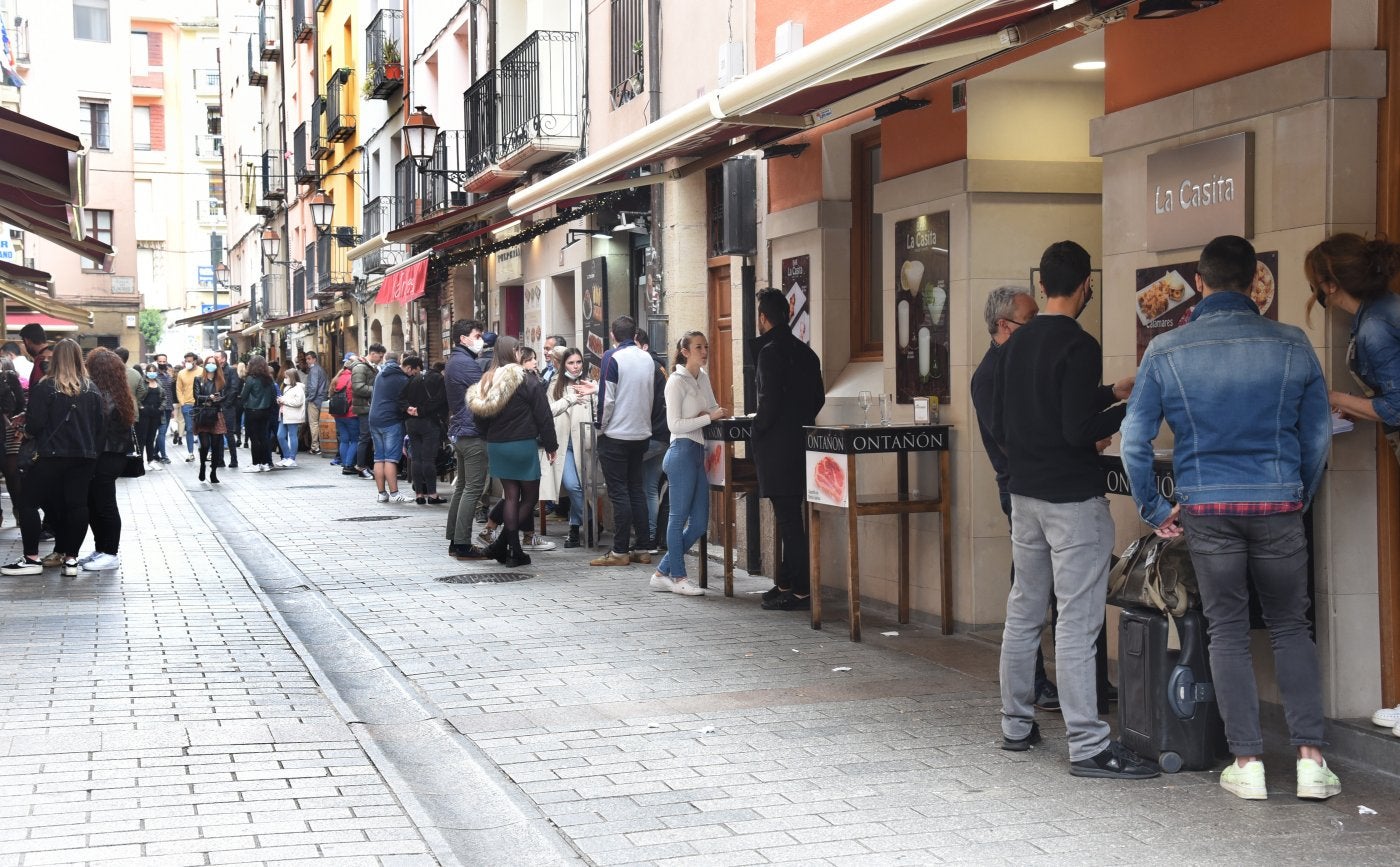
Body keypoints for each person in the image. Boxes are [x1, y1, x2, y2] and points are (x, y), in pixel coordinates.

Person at [1121, 235, 1336, 798]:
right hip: (1278, 504)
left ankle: (1248, 763)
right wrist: (1300, 492)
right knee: (1292, 626)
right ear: (1255, 282)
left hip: (1207, 509)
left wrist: (1152, 506)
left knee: (1228, 630)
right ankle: (1312, 761)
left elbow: (1134, 441)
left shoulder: (1167, 350)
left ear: (1201, 279)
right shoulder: (1293, 344)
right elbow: (1316, 437)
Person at [990, 240, 1154, 779]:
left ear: (1042, 285)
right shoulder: (1080, 343)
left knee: (1024, 611)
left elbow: (1031, 408)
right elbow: (1076, 426)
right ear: (1087, 285)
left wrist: (1107, 391)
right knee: (1078, 622)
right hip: (1071, 501)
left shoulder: (1014, 344)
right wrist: (1131, 407)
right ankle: (1087, 744)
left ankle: (1016, 724)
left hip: (1026, 495)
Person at [1303, 235, 1400, 736]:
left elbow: (1397, 405)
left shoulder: (1377, 327)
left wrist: (1334, 395)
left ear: (1329, 284)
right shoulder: (1383, 310)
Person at [970, 286, 1061, 710]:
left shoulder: (1026, 364)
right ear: (1005, 327)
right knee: (1030, 588)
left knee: (1056, 587)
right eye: (1031, 320)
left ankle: (1076, 679)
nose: (1039, 326)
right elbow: (1008, 440)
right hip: (1020, 487)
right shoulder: (990, 375)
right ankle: (1033, 682)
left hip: (1043, 482)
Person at [2, 339, 105, 577]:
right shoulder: (92, 389)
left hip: (50, 455)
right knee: (76, 505)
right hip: (84, 456)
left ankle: (31, 558)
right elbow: (100, 427)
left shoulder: (46, 386)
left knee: (28, 503)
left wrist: (24, 428)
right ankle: (71, 560)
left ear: (55, 358)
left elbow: (36, 425)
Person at [751, 287, 826, 611]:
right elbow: (818, 398)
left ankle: (801, 591)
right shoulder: (806, 352)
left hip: (778, 448)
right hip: (802, 444)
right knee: (789, 518)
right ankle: (784, 581)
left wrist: (758, 429)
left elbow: (769, 400)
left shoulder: (770, 352)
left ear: (763, 318)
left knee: (789, 521)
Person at [467, 336, 558, 567]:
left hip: (497, 445)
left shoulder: (487, 379)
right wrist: (551, 445)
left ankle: (508, 548)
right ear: (515, 352)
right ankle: (511, 548)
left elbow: (478, 415)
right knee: (529, 497)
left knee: (510, 496)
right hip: (522, 444)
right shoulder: (527, 380)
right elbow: (543, 415)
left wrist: (489, 436)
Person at [651, 331, 726, 597]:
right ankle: (679, 577)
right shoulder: (675, 381)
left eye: (706, 346)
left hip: (698, 452)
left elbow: (714, 407)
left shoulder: (702, 377)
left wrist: (710, 414)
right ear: (685, 351)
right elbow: (675, 425)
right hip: (681, 451)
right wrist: (707, 417)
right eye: (698, 347)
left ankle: (662, 572)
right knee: (678, 518)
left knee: (699, 523)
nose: (704, 351)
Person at [590, 316, 664, 567]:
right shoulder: (648, 360)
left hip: (616, 435)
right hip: (642, 433)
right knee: (636, 490)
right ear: (634, 335)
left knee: (619, 492)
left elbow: (606, 399)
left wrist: (600, 427)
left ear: (612, 335)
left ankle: (620, 550)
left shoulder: (611, 357)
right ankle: (642, 547)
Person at [78, 347, 136, 572]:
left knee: (104, 504)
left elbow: (98, 430)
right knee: (97, 502)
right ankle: (102, 549)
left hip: (105, 456)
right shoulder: (116, 393)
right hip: (111, 455)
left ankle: (110, 552)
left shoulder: (104, 396)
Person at [445, 321, 491, 560]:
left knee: (463, 487)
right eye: (477, 335)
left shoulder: (456, 360)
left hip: (463, 430)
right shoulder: (465, 363)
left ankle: (455, 540)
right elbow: (488, 391)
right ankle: (462, 543)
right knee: (472, 488)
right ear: (463, 338)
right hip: (473, 432)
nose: (480, 339)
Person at [545, 347, 596, 549]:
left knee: (584, 487)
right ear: (563, 364)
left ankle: (574, 529)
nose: (575, 367)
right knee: (573, 486)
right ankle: (591, 522)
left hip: (586, 444)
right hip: (563, 444)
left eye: (578, 363)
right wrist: (569, 399)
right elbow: (548, 412)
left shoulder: (590, 385)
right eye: (571, 363)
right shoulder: (555, 387)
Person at [635, 328, 668, 555]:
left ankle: (645, 537)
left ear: (644, 347)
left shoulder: (649, 368)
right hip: (662, 435)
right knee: (649, 487)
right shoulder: (659, 366)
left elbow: (646, 405)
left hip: (651, 436)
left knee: (634, 485)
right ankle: (651, 538)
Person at [400, 355, 447, 505]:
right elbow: (441, 401)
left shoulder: (414, 379)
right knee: (428, 459)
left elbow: (400, 399)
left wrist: (409, 409)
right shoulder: (438, 380)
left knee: (416, 458)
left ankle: (419, 494)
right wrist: (421, 410)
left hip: (411, 423)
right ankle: (432, 495)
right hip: (429, 422)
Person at [367, 350, 409, 502]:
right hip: (390, 419)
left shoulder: (380, 374)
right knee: (391, 458)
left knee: (379, 457)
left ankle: (381, 493)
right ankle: (395, 493)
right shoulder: (399, 377)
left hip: (374, 418)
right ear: (398, 361)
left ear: (385, 359)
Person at [192, 354, 227, 484]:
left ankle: (213, 472)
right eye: (209, 362)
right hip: (203, 414)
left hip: (216, 414)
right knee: (205, 445)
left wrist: (214, 399)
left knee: (216, 446)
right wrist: (209, 398)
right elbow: (196, 396)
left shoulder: (221, 381)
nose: (211, 365)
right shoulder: (198, 379)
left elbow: (223, 396)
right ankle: (202, 466)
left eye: (214, 363)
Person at [238, 356, 277, 472]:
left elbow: (244, 395)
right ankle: (265, 463)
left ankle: (256, 463)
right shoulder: (269, 379)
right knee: (264, 437)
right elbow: (273, 396)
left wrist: (243, 404)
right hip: (266, 411)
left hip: (252, 411)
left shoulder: (250, 379)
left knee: (254, 438)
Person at [352, 344, 384, 479]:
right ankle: (360, 466)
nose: (381, 359)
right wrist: (378, 390)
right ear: (373, 354)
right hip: (364, 407)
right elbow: (358, 387)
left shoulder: (371, 367)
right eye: (380, 356)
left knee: (369, 438)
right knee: (364, 437)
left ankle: (367, 466)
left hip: (370, 406)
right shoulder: (360, 367)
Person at [0, 357, 25, 527]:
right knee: (11, 473)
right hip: (6, 429)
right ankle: (17, 511)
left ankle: (19, 510)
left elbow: (18, 405)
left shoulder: (9, 378)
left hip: (12, 429)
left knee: (12, 473)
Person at [330, 353, 359, 473]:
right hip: (350, 414)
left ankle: (344, 462)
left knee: (344, 440)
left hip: (338, 414)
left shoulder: (337, 378)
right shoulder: (353, 378)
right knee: (355, 440)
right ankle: (348, 465)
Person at [135, 363, 166, 468]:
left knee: (151, 437)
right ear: (146, 372)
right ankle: (139, 461)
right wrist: (141, 408)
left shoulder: (159, 383)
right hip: (144, 413)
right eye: (150, 371)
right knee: (142, 438)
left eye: (154, 371)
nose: (152, 373)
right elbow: (136, 397)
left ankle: (150, 460)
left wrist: (161, 408)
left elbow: (164, 398)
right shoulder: (142, 382)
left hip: (156, 413)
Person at [275, 368, 306, 468]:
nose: (285, 378)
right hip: (284, 414)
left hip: (293, 415)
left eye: (286, 377)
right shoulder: (286, 387)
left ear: (291, 377)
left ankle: (292, 458)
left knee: (293, 435)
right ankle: (286, 456)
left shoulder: (298, 388)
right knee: (280, 435)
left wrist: (283, 401)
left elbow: (298, 402)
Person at [216, 351, 241, 468]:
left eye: (217, 357)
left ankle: (234, 460)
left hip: (227, 407)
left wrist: (226, 404)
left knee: (229, 434)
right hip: (216, 406)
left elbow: (234, 388)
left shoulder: (230, 370)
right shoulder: (214, 371)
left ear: (224, 359)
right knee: (217, 434)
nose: (215, 359)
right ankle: (220, 459)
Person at [175, 352, 200, 460]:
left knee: (203, 428)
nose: (188, 363)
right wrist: (182, 403)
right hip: (187, 405)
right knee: (189, 429)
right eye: (186, 361)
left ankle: (206, 451)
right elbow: (178, 389)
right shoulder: (181, 373)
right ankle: (190, 452)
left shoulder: (202, 371)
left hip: (200, 404)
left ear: (195, 361)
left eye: (190, 361)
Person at [303, 350, 328, 456]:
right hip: (321, 398)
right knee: (317, 423)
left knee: (313, 424)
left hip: (314, 400)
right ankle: (317, 446)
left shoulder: (313, 370)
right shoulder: (321, 369)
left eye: (309, 359)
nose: (307, 361)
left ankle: (315, 447)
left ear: (314, 359)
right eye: (306, 359)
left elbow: (313, 386)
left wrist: (309, 398)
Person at [154, 357, 174, 463]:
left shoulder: (169, 375)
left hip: (169, 407)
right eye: (160, 361)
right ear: (157, 362)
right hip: (160, 407)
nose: (162, 363)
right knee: (162, 432)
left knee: (163, 432)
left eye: (164, 361)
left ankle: (154, 453)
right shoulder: (154, 375)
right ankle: (164, 456)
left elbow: (170, 392)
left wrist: (172, 407)